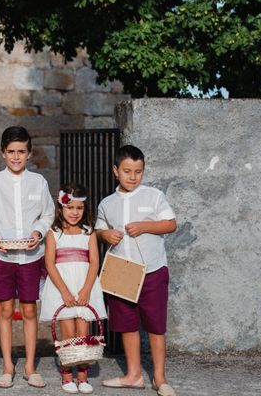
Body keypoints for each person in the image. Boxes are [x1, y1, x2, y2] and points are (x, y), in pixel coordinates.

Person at [95, 145, 177, 396]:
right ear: (115, 171)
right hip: (122, 271)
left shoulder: (153, 196)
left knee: (155, 325)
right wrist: (105, 234)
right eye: (127, 171)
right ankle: (133, 375)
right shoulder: (107, 203)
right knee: (127, 324)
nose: (133, 176)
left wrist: (145, 226)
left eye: (138, 171)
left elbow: (170, 224)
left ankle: (160, 378)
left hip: (152, 270)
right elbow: (99, 229)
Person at [0, 126, 55, 389]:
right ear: (3, 153)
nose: (16, 157)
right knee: (6, 310)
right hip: (3, 255)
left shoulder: (39, 183)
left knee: (30, 310)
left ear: (29, 153)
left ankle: (30, 366)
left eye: (21, 151)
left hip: (32, 255)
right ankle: (7, 365)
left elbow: (47, 214)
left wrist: (38, 231)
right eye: (11, 152)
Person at [40, 183, 107, 394]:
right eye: (70, 208)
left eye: (79, 208)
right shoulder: (54, 233)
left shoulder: (89, 233)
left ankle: (83, 376)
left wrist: (87, 290)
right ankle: (67, 374)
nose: (74, 213)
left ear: (84, 209)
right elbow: (50, 263)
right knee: (68, 333)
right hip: (63, 287)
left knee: (84, 331)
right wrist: (65, 292)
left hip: (84, 285)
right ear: (61, 208)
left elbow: (94, 262)